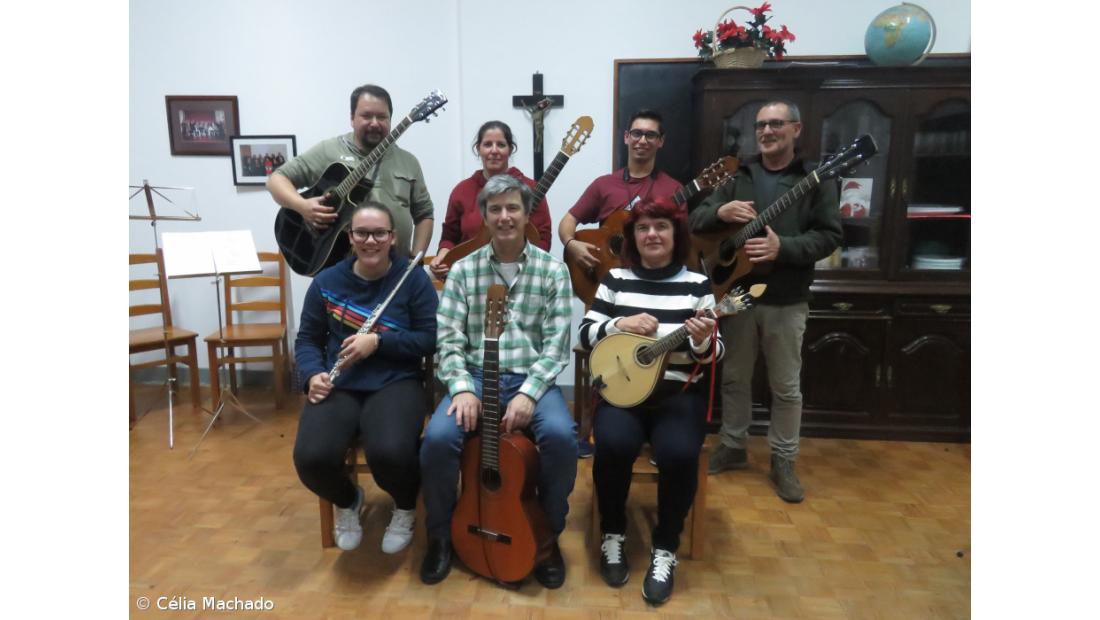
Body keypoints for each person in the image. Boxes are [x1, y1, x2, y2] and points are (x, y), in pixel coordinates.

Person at [419, 174, 577, 588]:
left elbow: (556, 346)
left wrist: (528, 394)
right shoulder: (463, 270)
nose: (504, 216)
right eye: (495, 209)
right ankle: (440, 536)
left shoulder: (553, 271)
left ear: (527, 215)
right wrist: (460, 388)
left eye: (512, 208)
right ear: (484, 217)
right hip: (475, 376)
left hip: (532, 378)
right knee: (437, 440)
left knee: (562, 438)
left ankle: (546, 537)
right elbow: (448, 339)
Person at [689, 100, 842, 503]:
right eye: (761, 125)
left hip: (786, 298)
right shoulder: (739, 175)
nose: (767, 131)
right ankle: (733, 445)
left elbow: (829, 236)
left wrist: (783, 248)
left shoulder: (815, 179)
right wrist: (720, 209)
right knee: (735, 377)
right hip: (736, 296)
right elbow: (697, 220)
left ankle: (784, 459)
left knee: (786, 385)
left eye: (776, 124)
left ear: (796, 129)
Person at [578, 197, 722, 605]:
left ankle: (665, 546)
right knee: (613, 444)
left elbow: (715, 352)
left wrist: (700, 341)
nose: (652, 234)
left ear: (676, 235)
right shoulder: (615, 280)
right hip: (622, 393)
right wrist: (618, 324)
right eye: (643, 228)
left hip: (678, 395)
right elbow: (585, 334)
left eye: (661, 226)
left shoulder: (697, 285)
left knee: (679, 452)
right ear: (633, 237)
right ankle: (613, 533)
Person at [292, 202, 439, 553]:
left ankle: (405, 505)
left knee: (390, 453)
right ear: (350, 237)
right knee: (311, 458)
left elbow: (430, 338)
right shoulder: (326, 282)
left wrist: (379, 342)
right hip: (340, 383)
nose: (370, 241)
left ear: (393, 237)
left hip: (396, 381)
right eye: (362, 233)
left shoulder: (412, 279)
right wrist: (312, 374)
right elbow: (307, 340)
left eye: (379, 233)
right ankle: (348, 500)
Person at [558, 108, 683, 459]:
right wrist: (572, 245)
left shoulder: (673, 189)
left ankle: (656, 432)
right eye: (637, 133)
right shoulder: (604, 185)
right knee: (597, 358)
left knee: (648, 357)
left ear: (661, 142)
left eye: (651, 135)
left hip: (654, 294)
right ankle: (593, 428)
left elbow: (678, 242)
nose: (643, 140)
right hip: (605, 290)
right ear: (626, 137)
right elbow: (567, 222)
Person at [267, 83, 434, 257]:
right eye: (366, 116)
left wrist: (416, 259)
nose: (375, 123)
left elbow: (424, 214)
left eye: (382, 117)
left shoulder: (408, 162)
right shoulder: (328, 151)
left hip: (396, 267)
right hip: (338, 266)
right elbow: (276, 179)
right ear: (352, 118)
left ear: (390, 120)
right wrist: (303, 206)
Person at [428, 121, 552, 280]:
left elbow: (543, 239)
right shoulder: (461, 191)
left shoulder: (530, 189)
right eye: (487, 144)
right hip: (471, 277)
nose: (494, 150)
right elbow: (449, 236)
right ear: (478, 149)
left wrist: (527, 268)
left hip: (521, 276)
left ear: (510, 149)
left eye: (501, 145)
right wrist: (443, 256)